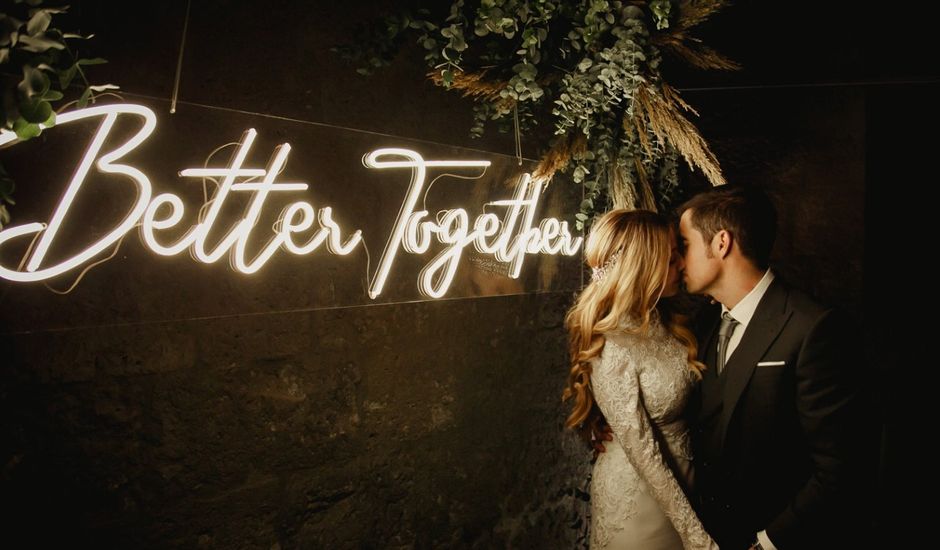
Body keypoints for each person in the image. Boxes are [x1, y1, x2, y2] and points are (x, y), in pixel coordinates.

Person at [677, 186, 859, 550]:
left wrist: (769, 542)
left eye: (685, 245)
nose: (679, 261)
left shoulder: (811, 327)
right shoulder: (703, 324)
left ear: (721, 243)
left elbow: (840, 465)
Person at [563, 209, 718, 550]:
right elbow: (645, 455)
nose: (681, 265)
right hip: (641, 500)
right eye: (671, 258)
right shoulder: (612, 345)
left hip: (689, 484)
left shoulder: (665, 319)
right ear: (643, 265)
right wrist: (696, 537)